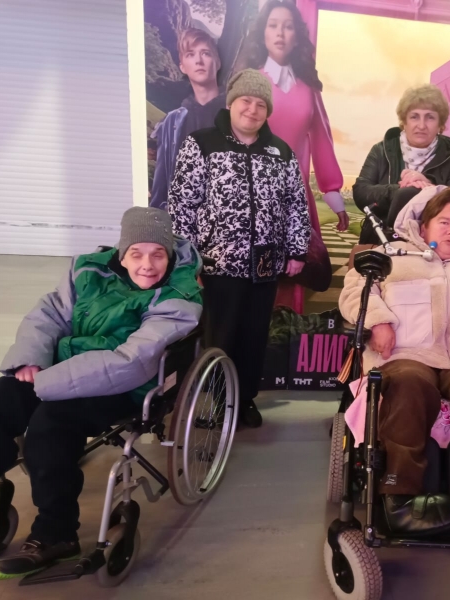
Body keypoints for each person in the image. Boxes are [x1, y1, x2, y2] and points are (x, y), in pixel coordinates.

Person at [0, 207, 202, 579]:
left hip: (124, 386)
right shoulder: (87, 270)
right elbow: (49, 315)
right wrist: (31, 360)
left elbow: (131, 362)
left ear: (170, 256)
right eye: (136, 253)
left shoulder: (180, 295)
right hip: (60, 370)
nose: (147, 265)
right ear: (121, 254)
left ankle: (56, 535)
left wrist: (46, 383)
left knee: (50, 425)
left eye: (158, 254)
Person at [339, 186, 450, 538]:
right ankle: (398, 496)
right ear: (423, 227)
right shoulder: (390, 255)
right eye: (444, 222)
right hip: (405, 356)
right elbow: (356, 290)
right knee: (407, 385)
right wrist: (377, 321)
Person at [168, 69, 311, 429]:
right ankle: (219, 401)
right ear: (231, 102)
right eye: (246, 100)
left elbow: (296, 204)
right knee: (221, 336)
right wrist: (188, 261)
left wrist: (296, 251)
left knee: (254, 335)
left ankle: (244, 399)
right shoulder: (201, 143)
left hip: (265, 265)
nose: (253, 109)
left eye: (261, 104)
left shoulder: (281, 152)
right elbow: (182, 205)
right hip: (216, 264)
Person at [236, 0, 348, 313]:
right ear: (263, 33)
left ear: (297, 35)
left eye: (287, 26)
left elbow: (322, 139)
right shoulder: (249, 83)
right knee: (252, 287)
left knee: (291, 284)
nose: (280, 33)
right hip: (252, 198)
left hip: (295, 200)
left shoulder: (308, 88)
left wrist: (333, 193)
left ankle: (283, 342)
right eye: (273, 25)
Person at [353, 84, 450, 244]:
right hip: (380, 238)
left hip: (431, 244)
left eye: (430, 117)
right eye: (414, 116)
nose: (421, 125)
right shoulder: (381, 150)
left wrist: (429, 186)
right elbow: (360, 193)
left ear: (440, 124)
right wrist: (398, 191)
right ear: (404, 121)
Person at [150, 28, 225, 211]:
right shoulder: (172, 123)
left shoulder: (238, 114)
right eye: (190, 54)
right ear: (182, 66)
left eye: (205, 53)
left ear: (217, 62)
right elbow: (161, 190)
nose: (199, 60)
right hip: (183, 223)